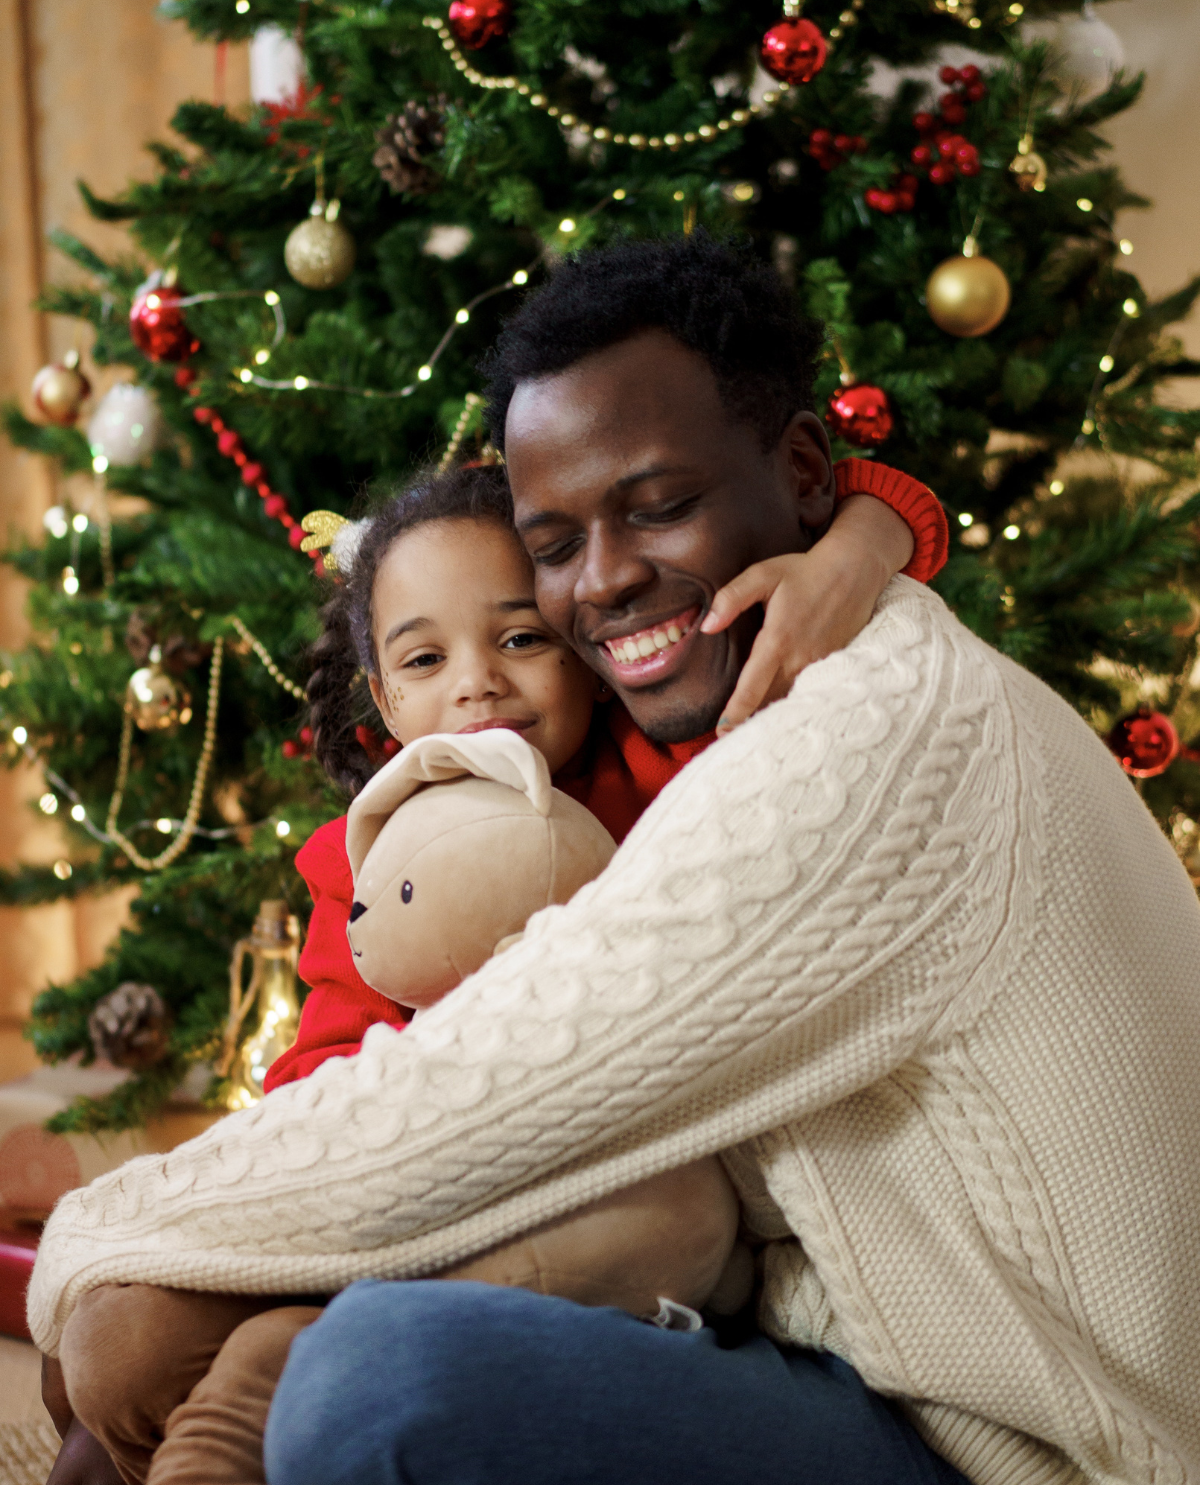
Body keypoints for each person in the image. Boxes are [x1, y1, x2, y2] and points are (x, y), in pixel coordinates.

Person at [30, 233, 1200, 1485]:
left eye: (660, 506)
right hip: (858, 1350)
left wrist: (91, 1238)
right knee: (175, 1350)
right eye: (555, 541)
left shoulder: (865, 742)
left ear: (803, 471)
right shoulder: (772, 694)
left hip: (1042, 1451)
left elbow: (480, 1091)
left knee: (372, 1381)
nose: (606, 582)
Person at [41, 428, 947, 1485]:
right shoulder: (360, 862)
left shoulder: (666, 767)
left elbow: (875, 484)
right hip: (401, 1192)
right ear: (385, 702)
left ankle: (289, 1379)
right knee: (118, 1346)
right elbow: (319, 1079)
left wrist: (858, 546)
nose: (478, 686)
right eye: (427, 660)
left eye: (521, 641)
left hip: (604, 1194)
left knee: (618, 1229)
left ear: (585, 641)